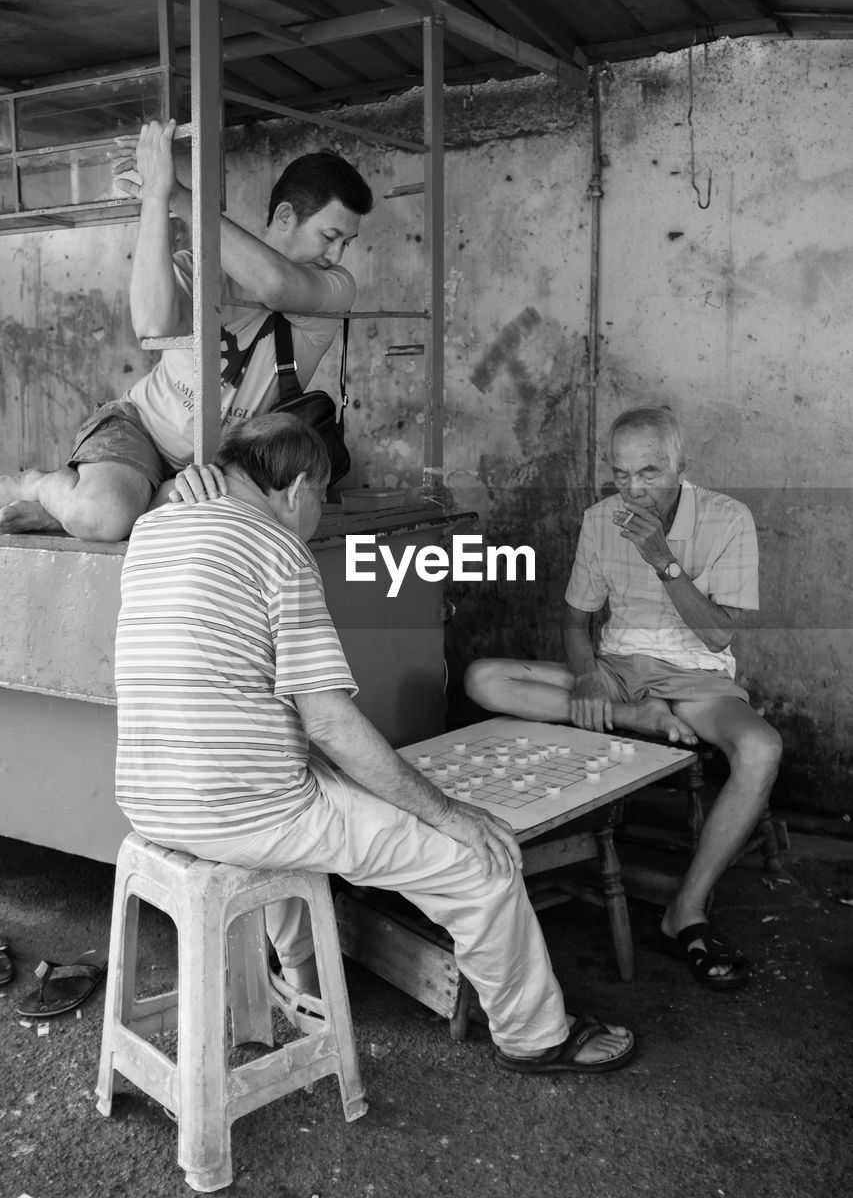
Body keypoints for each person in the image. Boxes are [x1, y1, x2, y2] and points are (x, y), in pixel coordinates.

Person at [113, 412, 635, 1076]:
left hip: (147, 802)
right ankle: (536, 1037)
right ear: (301, 486)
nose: (318, 516)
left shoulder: (152, 530)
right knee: (481, 863)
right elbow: (328, 722)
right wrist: (446, 813)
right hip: (240, 813)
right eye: (322, 500)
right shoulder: (277, 549)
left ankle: (300, 985)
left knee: (308, 791)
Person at [465, 406, 782, 992]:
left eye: (650, 472)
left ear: (681, 466)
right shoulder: (600, 518)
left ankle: (685, 908)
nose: (634, 489)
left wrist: (662, 557)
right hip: (615, 673)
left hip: (694, 679)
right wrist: (587, 677)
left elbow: (718, 634)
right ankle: (632, 717)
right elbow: (575, 619)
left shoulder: (728, 519)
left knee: (762, 749)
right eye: (621, 474)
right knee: (484, 678)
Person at [0, 120, 373, 541]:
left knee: (259, 520)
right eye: (330, 236)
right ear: (286, 215)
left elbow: (275, 287)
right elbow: (152, 324)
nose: (337, 254)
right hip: (139, 429)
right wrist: (156, 199)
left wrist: (177, 193)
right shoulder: (196, 269)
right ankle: (35, 485)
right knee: (102, 517)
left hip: (217, 462)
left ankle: (81, 505)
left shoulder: (335, 287)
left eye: (348, 242)